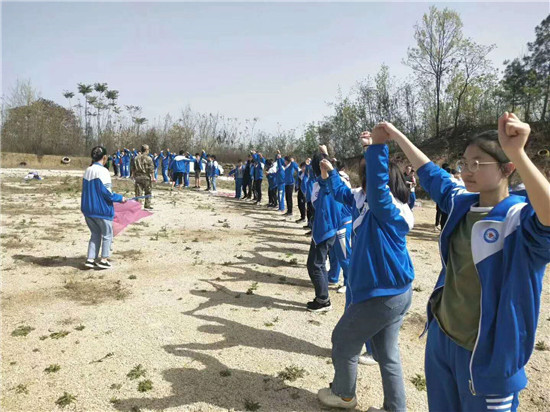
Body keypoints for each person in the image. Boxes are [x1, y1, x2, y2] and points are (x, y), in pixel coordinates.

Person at [380, 113, 550, 412]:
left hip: (488, 359)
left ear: (507, 168)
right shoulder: (463, 203)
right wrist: (397, 134)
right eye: (464, 163)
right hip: (442, 341)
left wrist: (519, 153)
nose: (466, 171)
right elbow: (430, 172)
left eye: (477, 164)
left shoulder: (519, 221)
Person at [317, 129, 414, 411]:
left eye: (366, 175)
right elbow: (346, 196)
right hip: (395, 292)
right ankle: (395, 408)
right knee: (387, 353)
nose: (363, 179)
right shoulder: (371, 203)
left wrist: (376, 147)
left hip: (380, 294)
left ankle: (344, 394)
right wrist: (330, 170)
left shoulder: (387, 209)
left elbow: (377, 188)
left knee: (344, 339)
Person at [81, 146, 126, 269]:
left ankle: (90, 259)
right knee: (107, 234)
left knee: (95, 233)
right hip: (101, 210)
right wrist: (120, 198)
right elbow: (108, 194)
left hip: (88, 209)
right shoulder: (104, 172)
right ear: (105, 158)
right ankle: (104, 259)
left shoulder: (88, 170)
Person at [131, 144, 155, 210]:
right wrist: (153, 177)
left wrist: (133, 176)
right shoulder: (149, 158)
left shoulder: (136, 158)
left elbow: (133, 168)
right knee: (148, 191)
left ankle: (137, 205)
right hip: (146, 177)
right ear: (147, 150)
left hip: (138, 177)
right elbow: (151, 169)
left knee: (138, 192)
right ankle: (147, 205)